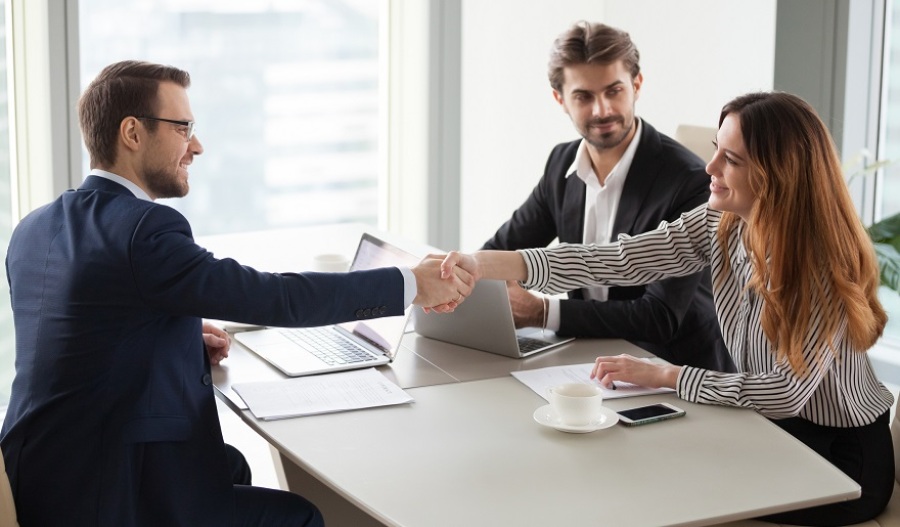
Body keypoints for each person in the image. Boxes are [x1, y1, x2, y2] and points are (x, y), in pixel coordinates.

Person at [0, 60, 472, 527]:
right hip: (108, 494)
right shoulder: (145, 229)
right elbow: (272, 297)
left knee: (231, 467)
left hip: (40, 470)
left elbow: (77, 336)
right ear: (132, 132)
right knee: (301, 517)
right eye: (183, 128)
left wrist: (173, 337)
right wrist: (409, 283)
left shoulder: (35, 227)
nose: (196, 146)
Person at [442, 91, 895, 526]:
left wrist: (666, 376)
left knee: (651, 488)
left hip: (840, 458)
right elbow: (616, 258)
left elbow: (785, 394)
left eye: (730, 160)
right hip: (769, 433)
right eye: (717, 149)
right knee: (627, 471)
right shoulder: (722, 221)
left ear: (778, 175)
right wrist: (478, 265)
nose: (710, 167)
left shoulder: (815, 265)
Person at [481, 21, 732, 371]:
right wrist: (467, 275)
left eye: (614, 91)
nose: (602, 110)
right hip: (587, 363)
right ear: (560, 99)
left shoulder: (689, 181)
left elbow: (658, 317)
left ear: (636, 85)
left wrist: (542, 311)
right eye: (584, 96)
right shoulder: (562, 163)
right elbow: (500, 253)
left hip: (673, 371)